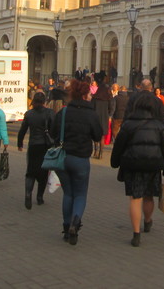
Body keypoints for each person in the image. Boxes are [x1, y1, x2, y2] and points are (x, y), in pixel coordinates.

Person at [111, 92, 164, 247]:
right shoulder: (159, 126)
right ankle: (147, 221)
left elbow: (118, 146)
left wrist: (114, 162)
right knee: (149, 196)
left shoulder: (128, 124)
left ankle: (136, 234)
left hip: (132, 165)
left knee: (135, 198)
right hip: (152, 166)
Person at [51, 79, 103, 245]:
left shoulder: (64, 112)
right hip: (81, 159)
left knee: (68, 193)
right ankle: (75, 223)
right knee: (80, 194)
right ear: (85, 95)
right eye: (89, 93)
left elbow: (53, 132)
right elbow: (97, 135)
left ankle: (66, 227)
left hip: (64, 158)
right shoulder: (91, 114)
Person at [18, 92, 56, 209]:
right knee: (43, 172)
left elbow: (23, 130)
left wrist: (20, 143)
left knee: (31, 171)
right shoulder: (49, 113)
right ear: (44, 101)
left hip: (33, 145)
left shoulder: (29, 114)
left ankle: (28, 193)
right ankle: (39, 197)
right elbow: (54, 130)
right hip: (45, 146)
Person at [92, 71, 114, 159]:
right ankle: (101, 153)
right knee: (102, 136)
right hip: (104, 116)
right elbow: (111, 106)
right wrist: (109, 114)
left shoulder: (95, 96)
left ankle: (96, 151)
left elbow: (91, 107)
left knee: (95, 135)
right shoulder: (108, 95)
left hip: (96, 116)